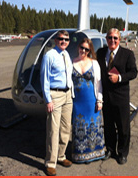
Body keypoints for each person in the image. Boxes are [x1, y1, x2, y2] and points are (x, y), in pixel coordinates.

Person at [96, 28, 138, 165]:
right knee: (108, 126)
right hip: (106, 96)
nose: (112, 40)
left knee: (123, 127)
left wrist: (119, 78)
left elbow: (133, 72)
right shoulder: (101, 53)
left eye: (115, 38)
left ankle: (122, 152)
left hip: (121, 97)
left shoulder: (127, 54)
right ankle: (109, 149)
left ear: (119, 39)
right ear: (106, 39)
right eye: (110, 38)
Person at [40, 30, 74, 176]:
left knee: (66, 128)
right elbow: (44, 79)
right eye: (61, 39)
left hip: (67, 95)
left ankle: (61, 156)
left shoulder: (66, 54)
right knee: (53, 130)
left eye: (66, 39)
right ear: (55, 40)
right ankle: (50, 162)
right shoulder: (49, 55)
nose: (63, 42)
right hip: (55, 94)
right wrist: (48, 99)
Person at [71, 38, 105, 164]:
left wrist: (100, 100)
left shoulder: (94, 63)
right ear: (78, 47)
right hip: (77, 102)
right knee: (79, 127)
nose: (83, 51)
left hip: (91, 100)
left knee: (92, 127)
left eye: (86, 49)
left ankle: (93, 153)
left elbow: (99, 83)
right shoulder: (71, 62)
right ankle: (80, 154)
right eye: (82, 48)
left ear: (89, 50)